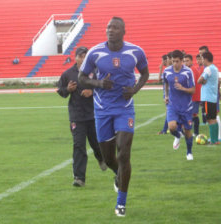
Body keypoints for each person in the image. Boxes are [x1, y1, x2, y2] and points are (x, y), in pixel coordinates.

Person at [78, 17, 149, 217]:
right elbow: (81, 78)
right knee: (109, 158)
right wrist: (100, 84)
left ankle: (121, 203)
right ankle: (118, 175)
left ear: (123, 31)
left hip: (125, 109)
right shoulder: (95, 52)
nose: (110, 30)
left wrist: (134, 89)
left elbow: (145, 73)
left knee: (124, 153)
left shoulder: (135, 52)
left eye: (115, 27)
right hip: (101, 110)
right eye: (108, 27)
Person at [57, 46, 107, 187]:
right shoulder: (68, 74)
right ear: (76, 57)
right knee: (79, 145)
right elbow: (60, 91)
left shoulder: (95, 73)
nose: (84, 58)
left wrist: (92, 91)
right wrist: (68, 89)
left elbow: (103, 88)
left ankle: (101, 157)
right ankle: (79, 178)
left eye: (86, 56)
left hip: (93, 113)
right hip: (76, 115)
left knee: (95, 142)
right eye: (81, 56)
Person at [163, 50, 195, 160]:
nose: (175, 64)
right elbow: (166, 84)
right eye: (173, 61)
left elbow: (193, 90)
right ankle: (177, 136)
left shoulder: (188, 72)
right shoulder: (167, 71)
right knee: (171, 127)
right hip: (172, 105)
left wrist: (183, 88)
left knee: (188, 131)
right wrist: (166, 96)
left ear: (182, 61)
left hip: (186, 106)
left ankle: (189, 152)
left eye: (177, 61)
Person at [198, 51, 219, 144]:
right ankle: (215, 139)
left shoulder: (208, 69)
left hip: (207, 97)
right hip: (213, 97)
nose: (201, 61)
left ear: (206, 59)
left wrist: (203, 81)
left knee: (210, 119)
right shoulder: (215, 68)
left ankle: (213, 141)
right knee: (214, 118)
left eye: (202, 59)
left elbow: (200, 80)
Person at [183, 54, 201, 136]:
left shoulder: (192, 70)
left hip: (193, 96)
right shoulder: (191, 69)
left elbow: (190, 84)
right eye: (184, 61)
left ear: (191, 61)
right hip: (193, 96)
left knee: (193, 115)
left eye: (187, 61)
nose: (185, 63)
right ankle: (192, 132)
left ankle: (195, 133)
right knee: (191, 115)